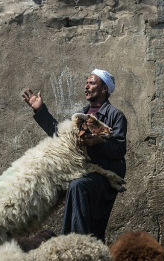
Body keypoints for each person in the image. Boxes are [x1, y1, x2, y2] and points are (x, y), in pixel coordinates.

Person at [22, 68, 127, 242]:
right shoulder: (81, 114)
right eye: (86, 82)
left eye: (92, 83)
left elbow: (119, 148)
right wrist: (41, 111)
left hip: (106, 175)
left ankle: (75, 244)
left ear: (104, 90)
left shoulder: (115, 116)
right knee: (74, 187)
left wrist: (99, 142)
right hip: (85, 172)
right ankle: (72, 243)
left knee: (78, 186)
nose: (86, 86)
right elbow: (63, 136)